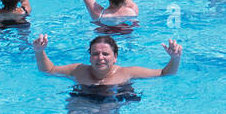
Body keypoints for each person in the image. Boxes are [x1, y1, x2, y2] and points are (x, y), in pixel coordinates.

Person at [34, 33, 181, 86]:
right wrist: (39, 51)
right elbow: (49, 70)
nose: (100, 58)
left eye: (105, 54)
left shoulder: (127, 73)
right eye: (95, 54)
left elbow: (164, 73)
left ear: (115, 57)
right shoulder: (78, 70)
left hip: (113, 101)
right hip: (83, 101)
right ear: (90, 57)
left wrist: (175, 59)